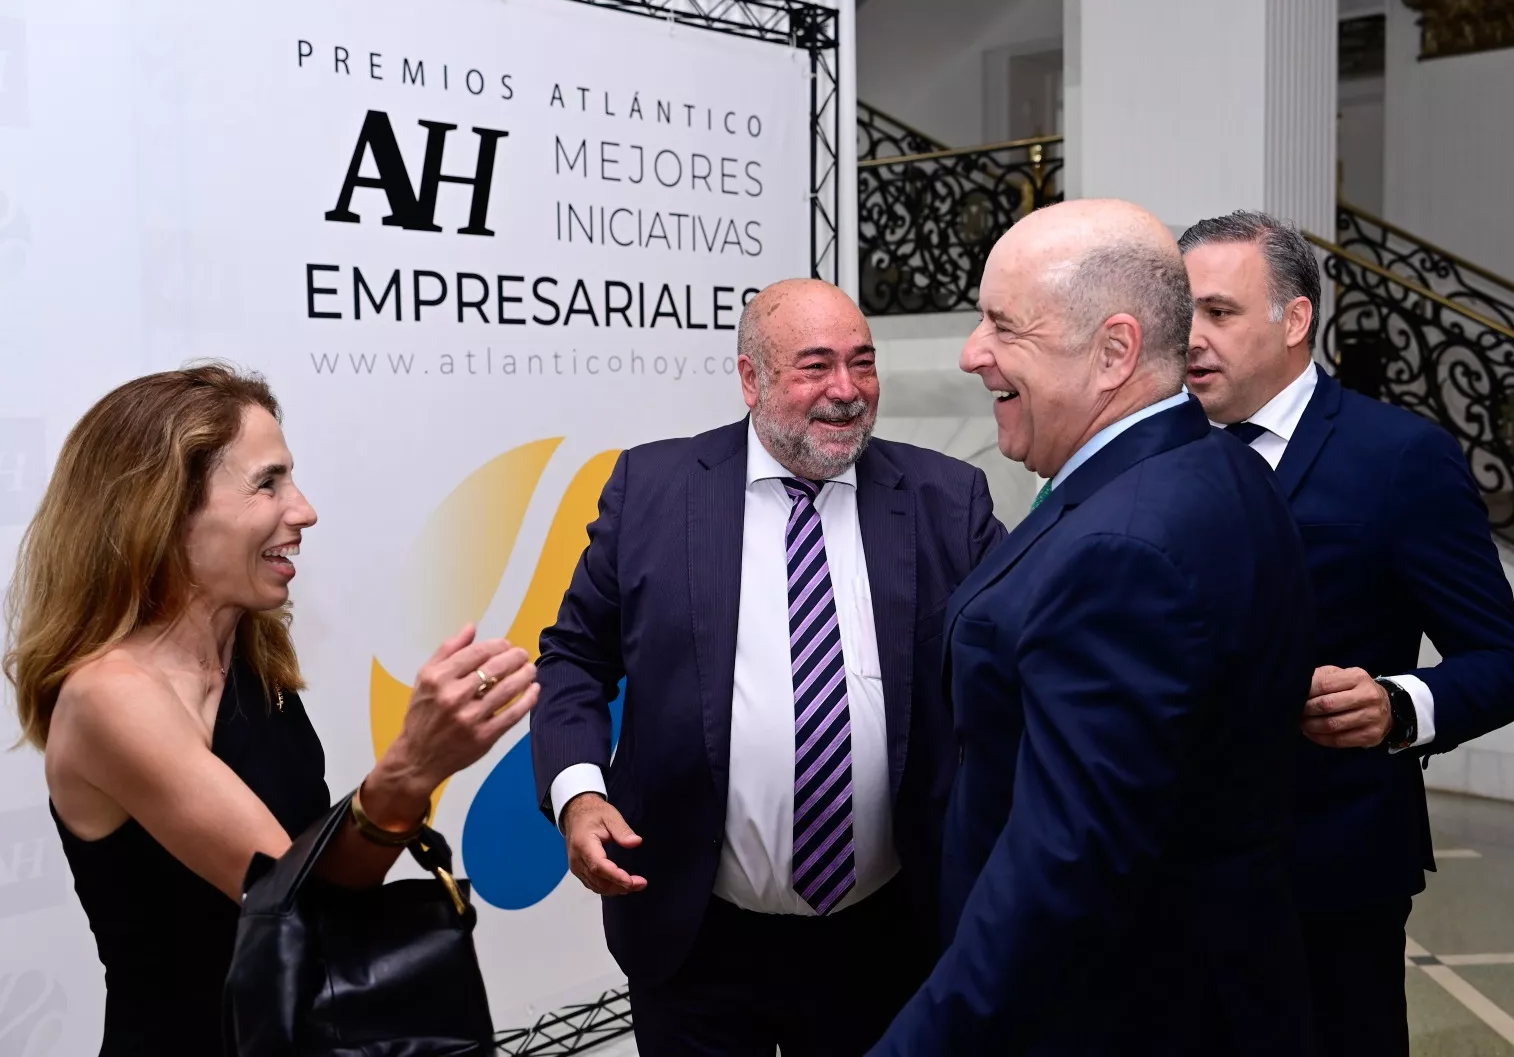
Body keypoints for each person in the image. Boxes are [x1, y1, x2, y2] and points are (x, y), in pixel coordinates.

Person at [868, 200, 1316, 1057]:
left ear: (1113, 351)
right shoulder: (1221, 468)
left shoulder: (1123, 546)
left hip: (1115, 1014)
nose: (973, 352)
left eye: (1004, 325)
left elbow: (1063, 872)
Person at [2, 363, 538, 1057]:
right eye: (268, 482)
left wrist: (404, 782)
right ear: (164, 509)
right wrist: (406, 771)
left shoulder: (251, 657)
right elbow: (299, 910)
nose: (304, 508)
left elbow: (327, 884)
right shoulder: (111, 696)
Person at [530, 278, 1006, 1056]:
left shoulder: (946, 499)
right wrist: (579, 794)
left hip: (886, 937)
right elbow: (576, 655)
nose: (847, 391)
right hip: (696, 933)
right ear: (750, 379)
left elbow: (1019, 660)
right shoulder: (653, 490)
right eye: (815, 366)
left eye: (863, 362)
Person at [1179, 210, 1514, 1057]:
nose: (1192, 338)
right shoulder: (1162, 448)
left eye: (1220, 312)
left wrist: (1395, 704)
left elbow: (1505, 663)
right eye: (1183, 313)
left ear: (1294, 319)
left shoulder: (1397, 458)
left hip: (1328, 874)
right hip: (1171, 869)